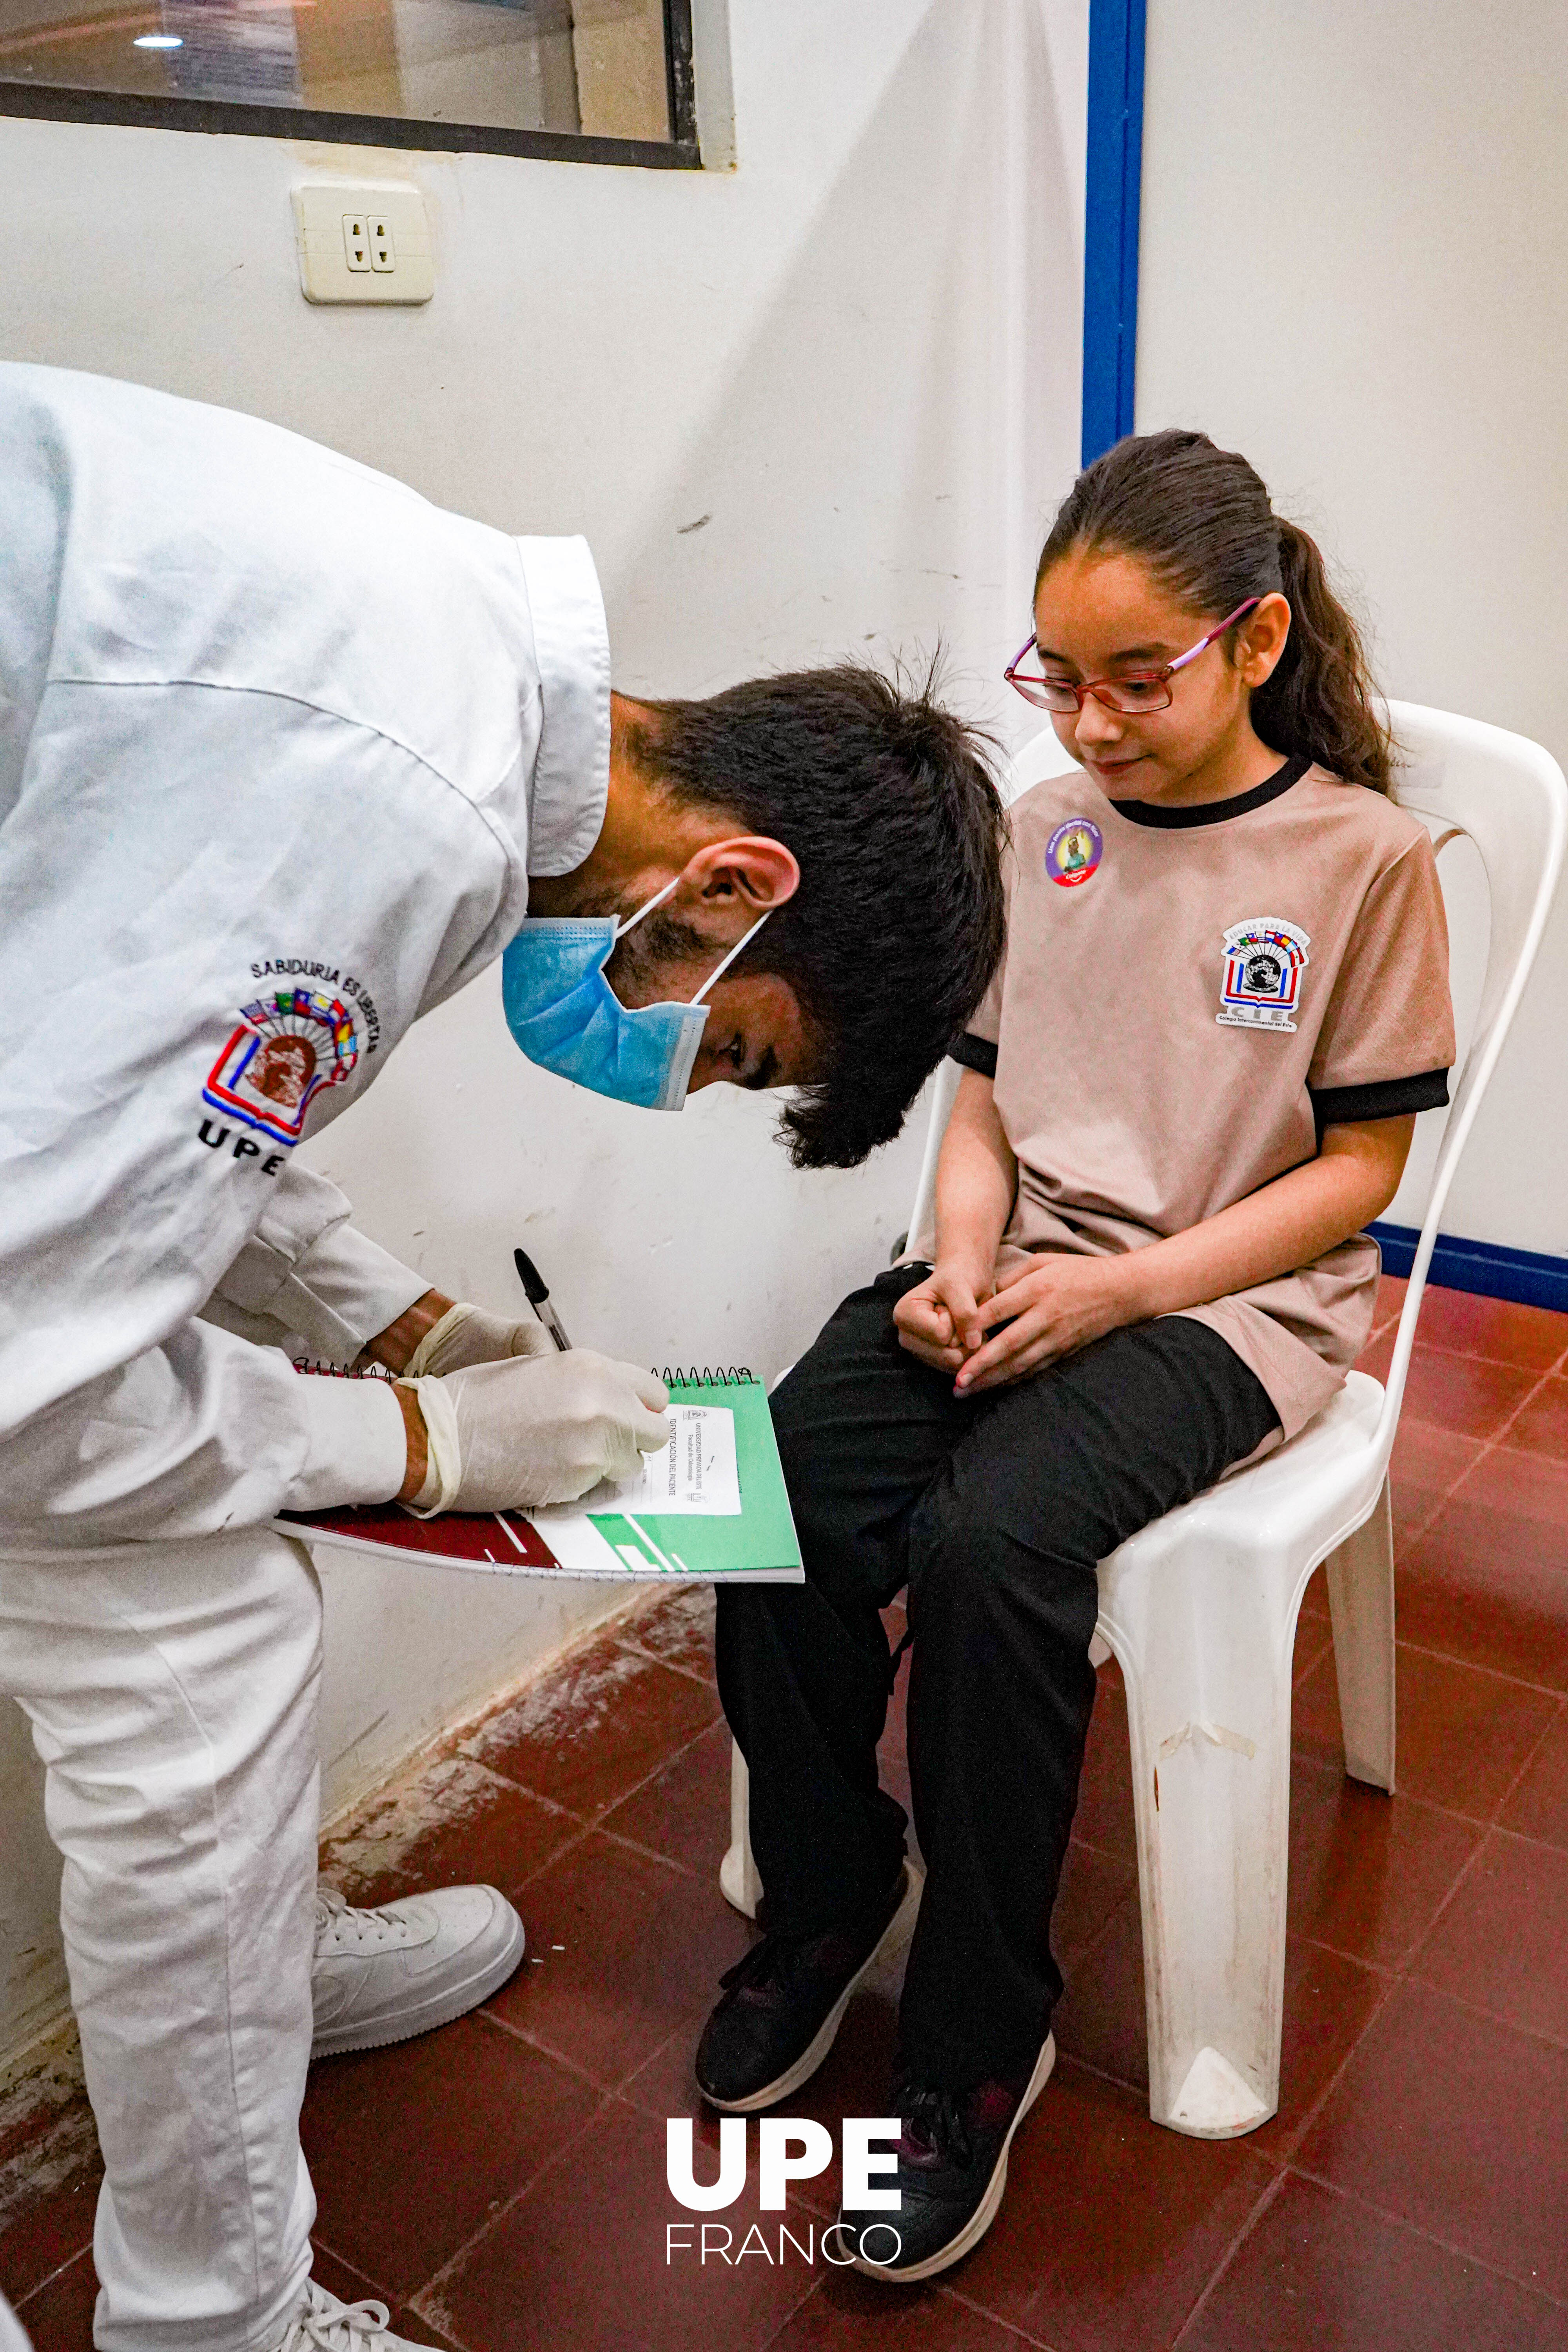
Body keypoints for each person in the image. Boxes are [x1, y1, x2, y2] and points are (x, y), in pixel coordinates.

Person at [0, 362, 1007, 2352]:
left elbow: (130, 1124)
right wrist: (431, 1435)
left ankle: (247, 1976)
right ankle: (214, 2321)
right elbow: (32, 1384)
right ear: (732, 886)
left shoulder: (440, 678)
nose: (675, 1073)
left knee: (191, 1604)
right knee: (185, 1622)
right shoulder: (389, 795)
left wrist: (394, 1321)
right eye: (731, 1044)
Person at [698, 429, 1457, 2281]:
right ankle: (826, 1893)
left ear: (1256, 639)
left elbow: (1360, 1168)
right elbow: (980, 1091)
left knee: (989, 1548)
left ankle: (974, 2045)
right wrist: (960, 1262)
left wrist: (1124, 1293)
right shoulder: (1045, 824)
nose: (1094, 725)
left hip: (1228, 1305)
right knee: (761, 1488)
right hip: (1021, 1261)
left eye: (1141, 679)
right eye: (1064, 678)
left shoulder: (1360, 860)